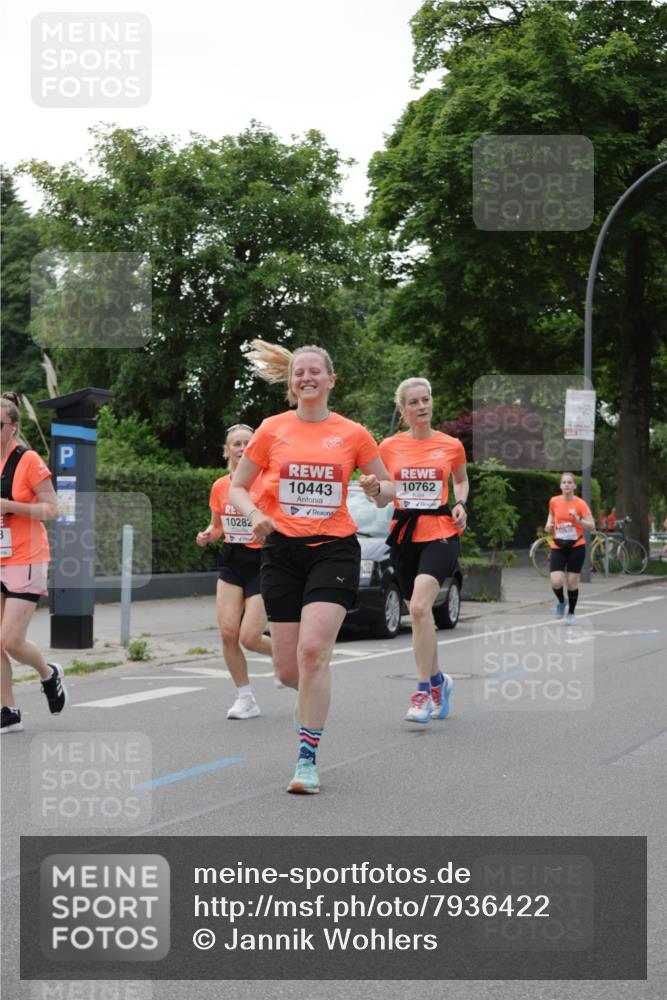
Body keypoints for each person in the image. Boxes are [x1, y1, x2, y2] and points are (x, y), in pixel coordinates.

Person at [230, 341, 392, 794]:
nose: (306, 378)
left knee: (313, 652)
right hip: (281, 552)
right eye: (299, 372)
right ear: (291, 382)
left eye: (315, 372)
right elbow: (238, 488)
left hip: (333, 550)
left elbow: (388, 490)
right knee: (287, 670)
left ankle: (306, 758)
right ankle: (317, 693)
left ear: (330, 380)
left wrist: (377, 487)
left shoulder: (353, 433)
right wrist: (253, 515)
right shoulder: (271, 429)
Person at [360, 378, 468, 724]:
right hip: (405, 534)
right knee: (418, 615)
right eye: (414, 402)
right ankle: (440, 682)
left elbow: (461, 480)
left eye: (426, 399)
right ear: (403, 410)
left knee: (420, 607)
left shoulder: (450, 445)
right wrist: (374, 491)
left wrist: (461, 503)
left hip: (440, 532)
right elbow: (383, 495)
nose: (423, 406)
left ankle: (422, 691)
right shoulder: (389, 446)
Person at [196, 423, 275, 720]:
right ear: (227, 450)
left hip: (263, 562)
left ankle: (285, 660)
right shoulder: (220, 486)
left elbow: (280, 520)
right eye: (237, 444)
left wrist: (268, 531)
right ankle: (246, 698)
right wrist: (207, 535)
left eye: (248, 443)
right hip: (232, 560)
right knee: (228, 633)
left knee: (250, 636)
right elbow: (217, 526)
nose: (242, 448)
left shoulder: (268, 481)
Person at [1, 392, 66, 733]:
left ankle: (49, 673)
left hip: (25, 558)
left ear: (12, 427)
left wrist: (10, 506)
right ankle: (8, 709)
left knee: (10, 641)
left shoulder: (28, 461)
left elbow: (53, 510)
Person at [545, 472, 595, 625]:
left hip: (576, 546)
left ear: (574, 486)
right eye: (564, 482)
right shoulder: (554, 501)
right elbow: (551, 514)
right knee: (556, 581)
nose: (566, 485)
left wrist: (577, 519)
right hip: (558, 545)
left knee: (572, 583)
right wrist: (549, 524)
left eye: (569, 482)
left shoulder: (580, 504)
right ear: (560, 485)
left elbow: (592, 526)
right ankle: (561, 601)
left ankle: (571, 612)